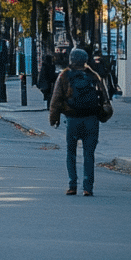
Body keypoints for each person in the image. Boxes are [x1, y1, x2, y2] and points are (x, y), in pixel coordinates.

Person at [49, 48, 108, 197]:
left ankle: (72, 185)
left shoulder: (64, 75)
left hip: (73, 119)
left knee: (71, 153)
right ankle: (88, 187)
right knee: (89, 154)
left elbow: (56, 99)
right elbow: (104, 98)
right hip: (91, 120)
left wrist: (54, 118)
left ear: (71, 59)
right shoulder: (93, 76)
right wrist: (103, 115)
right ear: (85, 60)